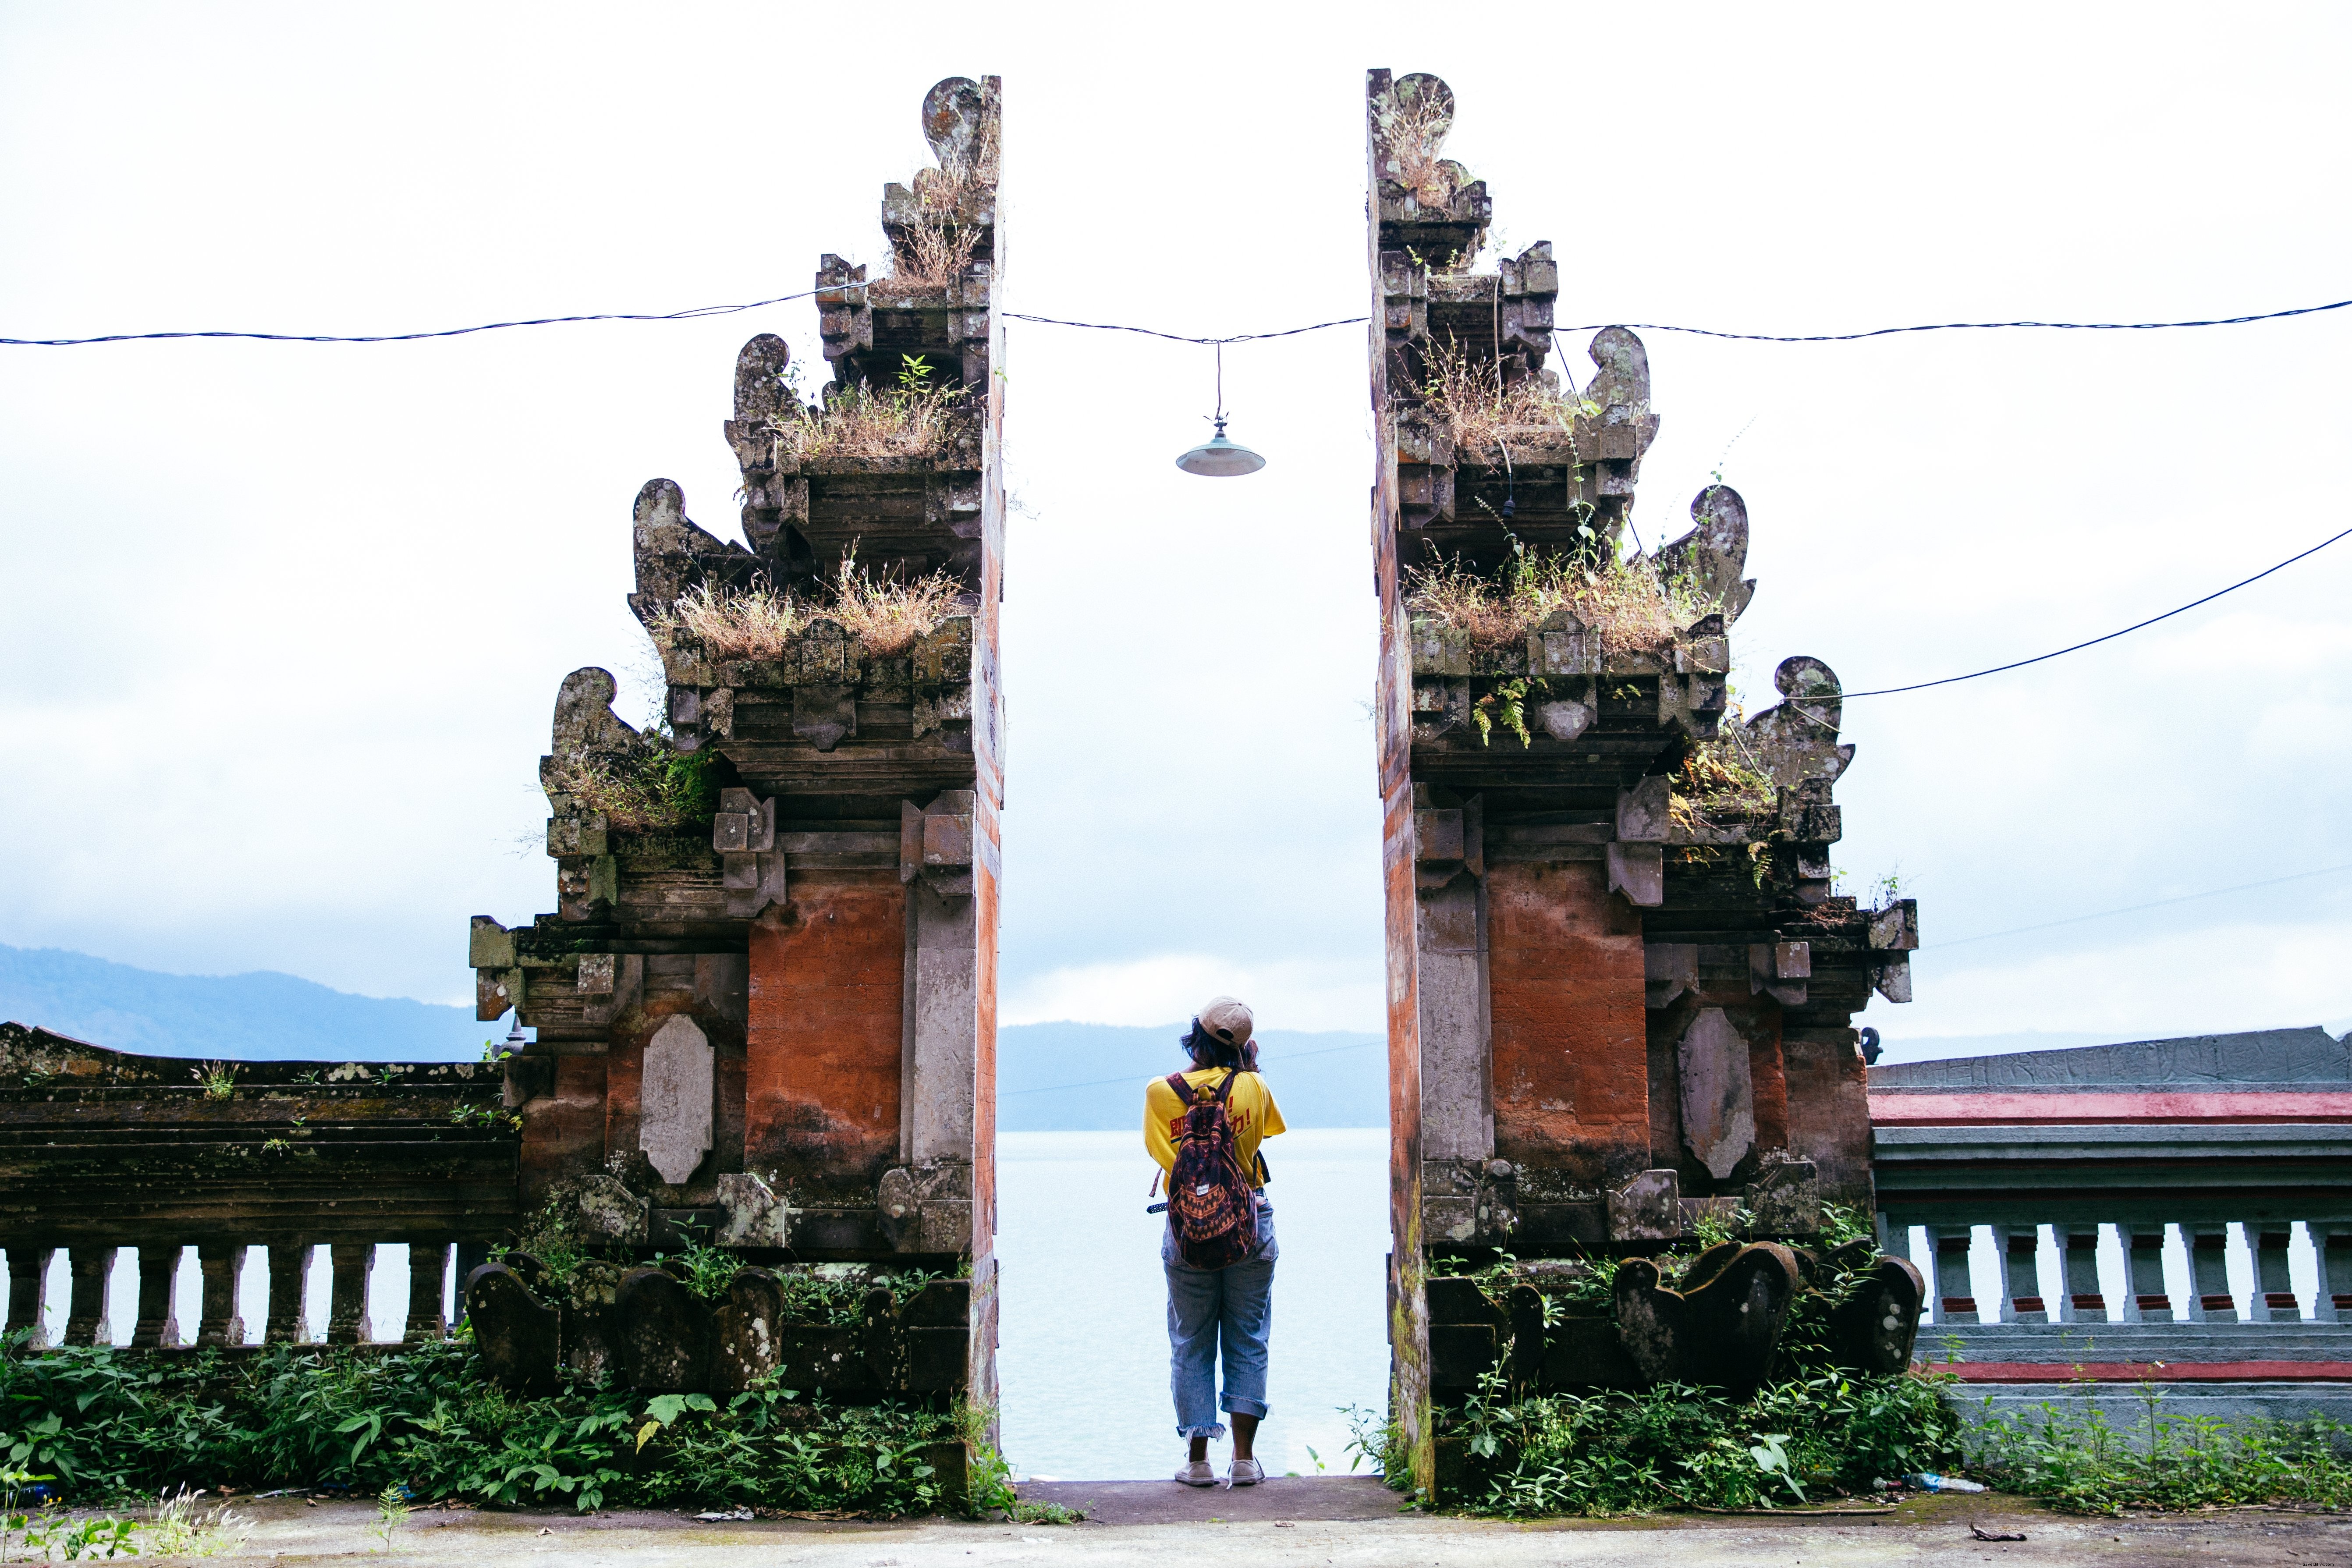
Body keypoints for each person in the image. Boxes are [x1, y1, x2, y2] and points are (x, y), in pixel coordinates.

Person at [1144, 995, 1286, 1487]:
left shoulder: (1161, 1091)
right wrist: (1242, 1066)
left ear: (1195, 1036)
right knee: (1248, 1336)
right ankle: (1244, 1459)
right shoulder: (1254, 1086)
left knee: (1191, 1340)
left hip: (1190, 1230)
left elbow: (1166, 1157)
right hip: (1249, 1222)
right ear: (1245, 1046)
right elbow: (1262, 1136)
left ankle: (1198, 1459)